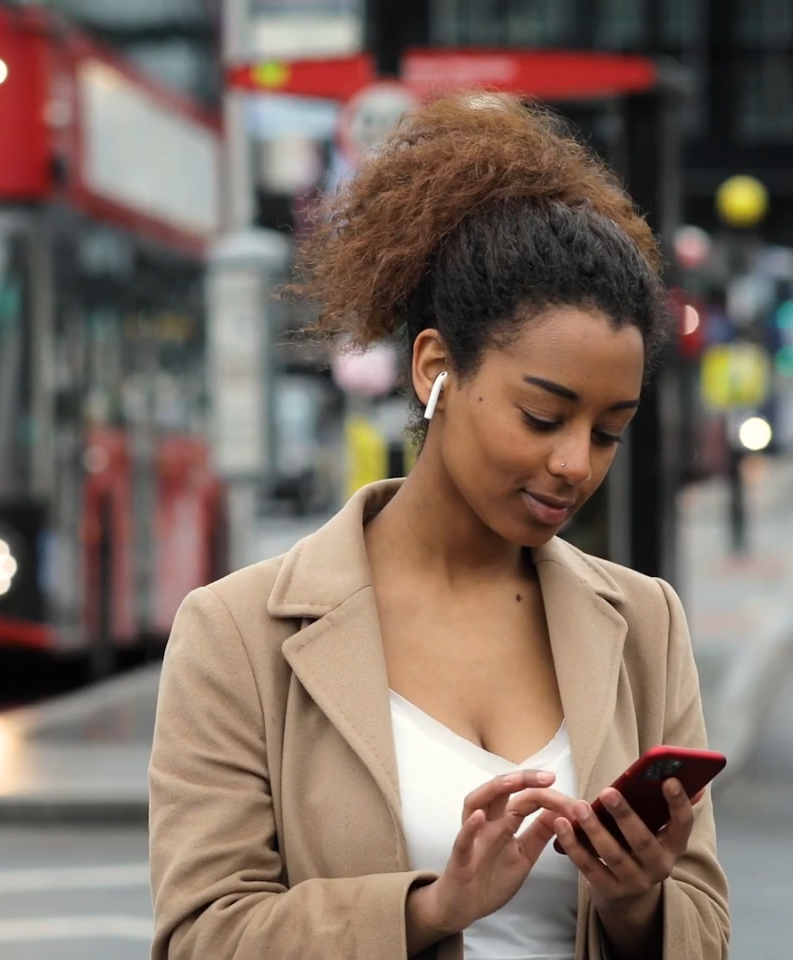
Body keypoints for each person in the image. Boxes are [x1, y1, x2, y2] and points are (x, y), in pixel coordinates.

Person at [149, 96, 728, 960]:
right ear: (436, 370)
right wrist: (429, 908)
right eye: (543, 416)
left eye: (609, 431)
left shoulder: (645, 620)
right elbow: (201, 937)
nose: (577, 462)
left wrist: (636, 903)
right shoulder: (237, 634)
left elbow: (707, 932)